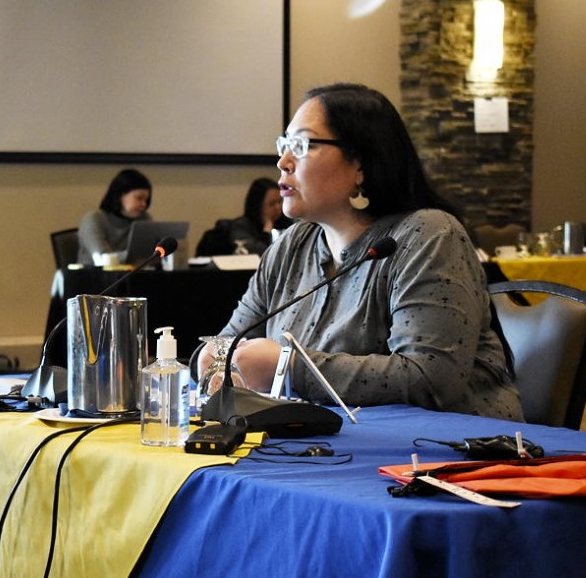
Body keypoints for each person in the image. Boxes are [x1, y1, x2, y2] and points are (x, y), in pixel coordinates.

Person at [199, 83, 523, 421]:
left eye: (301, 145)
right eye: (284, 144)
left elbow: (431, 380)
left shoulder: (428, 235)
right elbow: (225, 345)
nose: (283, 161)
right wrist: (212, 365)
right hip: (325, 448)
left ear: (361, 165)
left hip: (454, 456)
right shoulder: (290, 247)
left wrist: (289, 367)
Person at [196, 177, 291, 256]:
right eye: (272, 204)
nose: (278, 208)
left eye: (280, 202)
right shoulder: (241, 227)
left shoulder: (286, 224)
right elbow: (258, 254)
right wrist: (267, 232)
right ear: (257, 205)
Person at [77, 168, 153, 265]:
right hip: (95, 276)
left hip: (132, 276)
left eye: (146, 200)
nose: (144, 204)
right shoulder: (94, 219)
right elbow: (102, 259)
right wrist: (141, 255)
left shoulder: (144, 219)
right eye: (139, 198)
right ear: (121, 195)